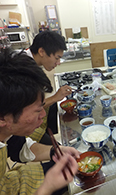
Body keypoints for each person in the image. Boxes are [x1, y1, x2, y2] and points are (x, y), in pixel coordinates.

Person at [0, 49, 80, 194]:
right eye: (38, 110)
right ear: (3, 118)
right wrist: (46, 188)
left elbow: (19, 148)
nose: (43, 115)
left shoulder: (7, 129)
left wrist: (54, 151)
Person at [25, 30, 72, 144]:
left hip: (29, 113)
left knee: (53, 109)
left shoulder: (31, 60)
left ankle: (53, 135)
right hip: (22, 124)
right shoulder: (23, 69)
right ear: (41, 51)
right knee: (58, 150)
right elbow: (27, 110)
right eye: (57, 58)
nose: (58, 62)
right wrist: (55, 97)